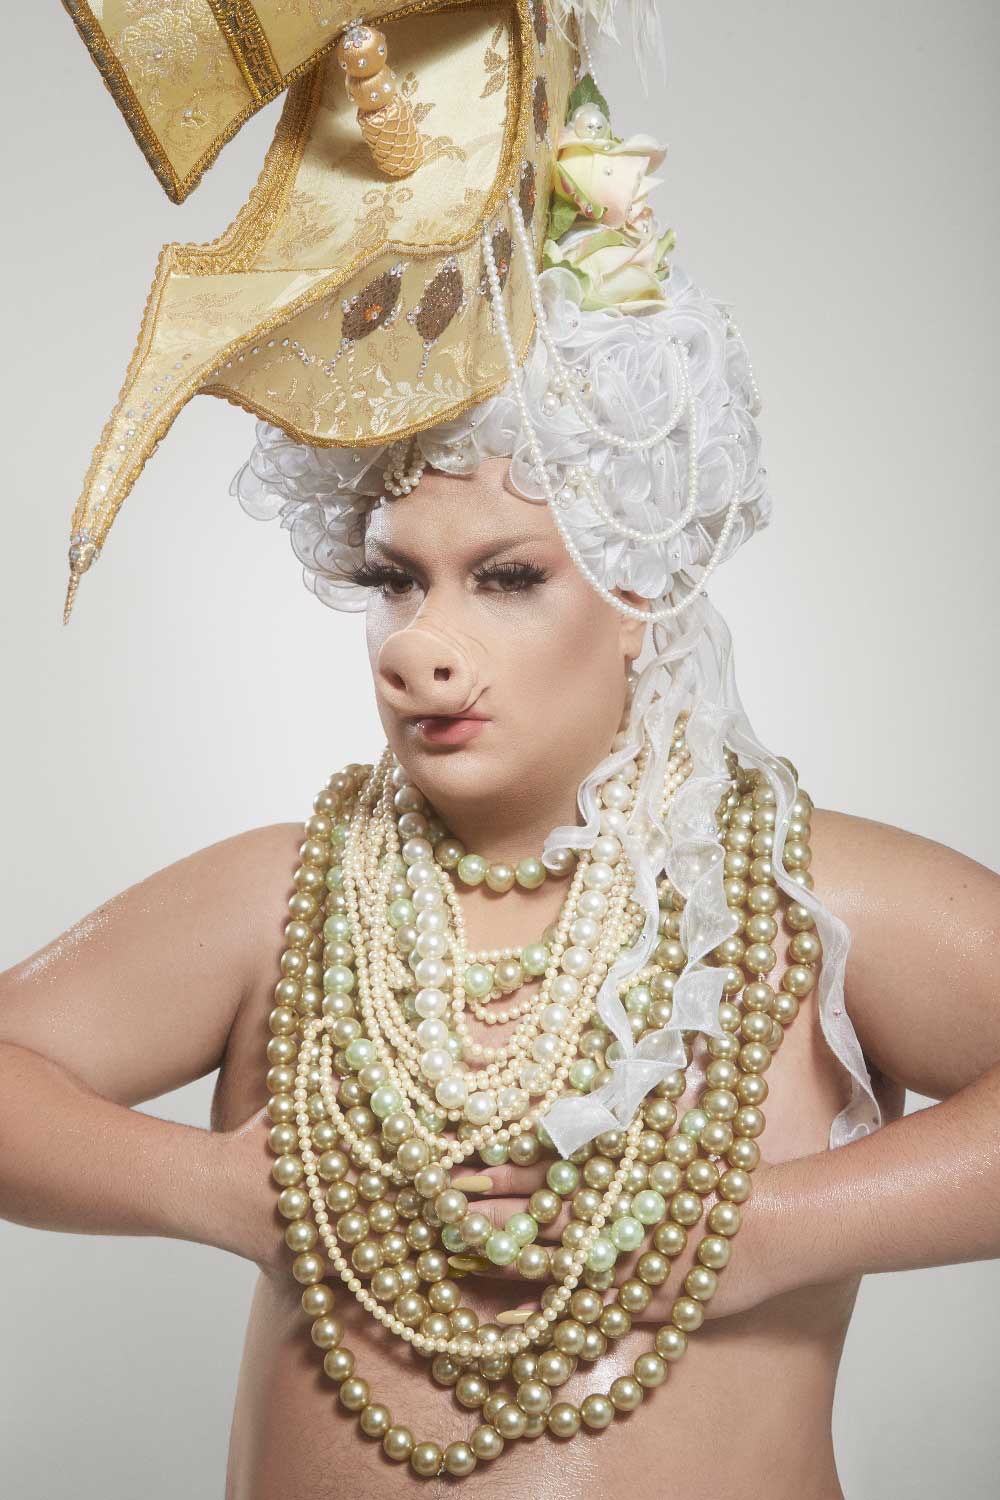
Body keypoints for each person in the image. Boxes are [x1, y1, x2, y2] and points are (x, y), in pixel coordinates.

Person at [2, 4, 998, 1496]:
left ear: (642, 593)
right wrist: (211, 1186)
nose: (422, 644)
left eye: (509, 578)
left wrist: (769, 1231)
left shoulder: (805, 898)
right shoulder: (287, 896)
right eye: (397, 579)